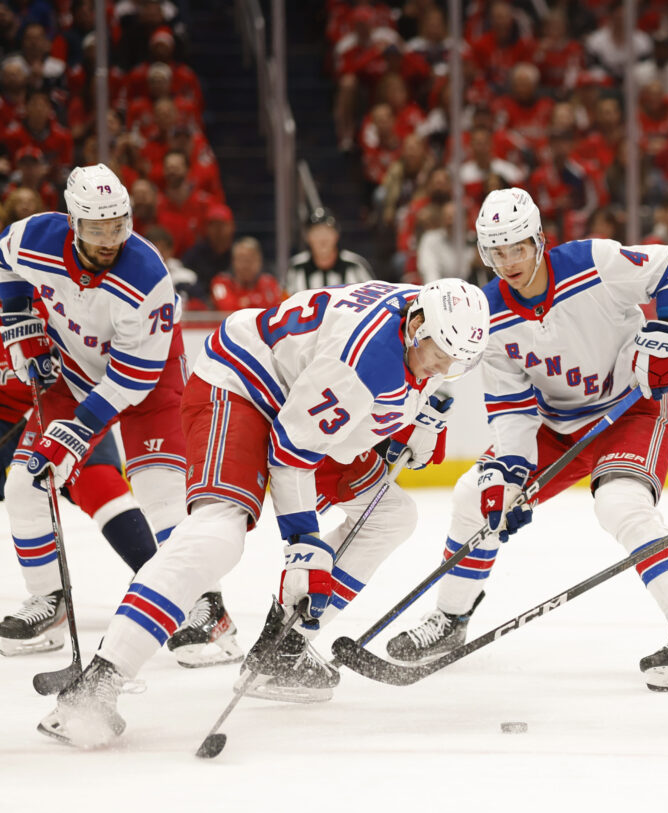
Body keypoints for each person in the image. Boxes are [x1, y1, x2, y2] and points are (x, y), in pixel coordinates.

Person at [37, 277, 491, 747]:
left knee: (392, 515)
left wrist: (415, 415)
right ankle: (98, 682)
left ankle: (281, 653)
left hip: (305, 400)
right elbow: (293, 451)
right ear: (416, 325)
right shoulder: (364, 362)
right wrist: (302, 548)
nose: (445, 365)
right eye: (438, 353)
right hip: (245, 387)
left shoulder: (432, 314)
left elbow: (388, 390)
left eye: (457, 361)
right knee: (218, 533)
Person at [388, 187, 668, 692]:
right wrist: (509, 476)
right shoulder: (488, 314)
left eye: (517, 248)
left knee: (622, 504)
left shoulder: (594, 262)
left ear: (538, 241)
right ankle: (451, 619)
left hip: (631, 410)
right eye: (496, 252)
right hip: (554, 427)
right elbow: (511, 406)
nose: (508, 262)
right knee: (471, 497)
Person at [0, 165, 241, 669]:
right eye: (97, 228)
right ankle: (50, 603)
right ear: (73, 222)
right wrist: (20, 320)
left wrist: (79, 429)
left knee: (163, 498)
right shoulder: (36, 237)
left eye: (118, 225)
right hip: (71, 372)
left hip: (147, 383)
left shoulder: (146, 274)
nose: (109, 239)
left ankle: (208, 609)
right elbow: (5, 261)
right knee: (25, 484)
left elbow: (132, 377)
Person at [0, 350, 162, 655]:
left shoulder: (44, 303)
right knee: (21, 492)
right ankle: (48, 597)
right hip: (6, 414)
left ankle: (164, 587)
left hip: (63, 405)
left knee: (99, 484)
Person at [285, 206, 374, 293]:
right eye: (317, 233)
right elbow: (284, 301)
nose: (323, 239)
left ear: (336, 235)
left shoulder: (355, 266)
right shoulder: (296, 268)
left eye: (327, 232)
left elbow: (376, 299)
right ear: (307, 237)